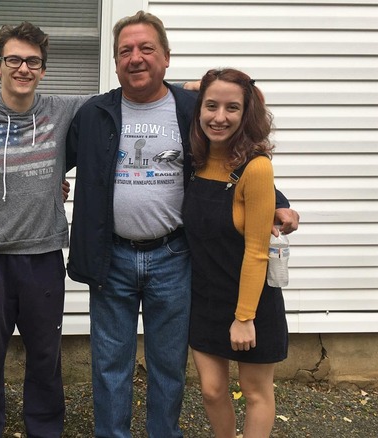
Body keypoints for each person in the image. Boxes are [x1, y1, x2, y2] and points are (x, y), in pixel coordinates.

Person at [66, 11, 299, 438]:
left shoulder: (193, 108)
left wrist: (277, 201)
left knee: (168, 366)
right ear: (115, 62)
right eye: (125, 51)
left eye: (146, 48)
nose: (136, 58)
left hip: (173, 257)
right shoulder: (94, 114)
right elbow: (54, 163)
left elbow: (236, 154)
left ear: (167, 58)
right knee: (109, 366)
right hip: (110, 258)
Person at [0, 22, 91, 437]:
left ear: (43, 69)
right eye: (14, 59)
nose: (23, 68)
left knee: (45, 354)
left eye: (33, 61)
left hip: (44, 255)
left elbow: (126, 101)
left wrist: (191, 87)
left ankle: (45, 428)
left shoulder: (63, 111)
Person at [185, 68, 288, 438]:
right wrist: (200, 85)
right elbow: (183, 90)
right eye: (210, 106)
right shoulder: (194, 161)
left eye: (232, 108)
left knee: (256, 392)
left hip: (253, 301)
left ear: (246, 115)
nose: (219, 117)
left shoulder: (257, 168)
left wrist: (244, 317)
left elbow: (259, 250)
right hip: (205, 299)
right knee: (212, 391)